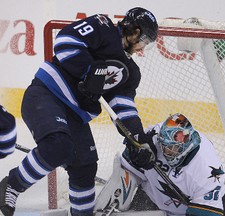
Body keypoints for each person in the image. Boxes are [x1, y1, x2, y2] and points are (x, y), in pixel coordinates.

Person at [0, 7, 158, 216]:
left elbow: (123, 106)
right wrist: (89, 71)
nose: (142, 48)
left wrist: (138, 139)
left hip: (75, 116)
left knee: (85, 166)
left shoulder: (131, 73)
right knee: (59, 146)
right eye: (144, 40)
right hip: (47, 95)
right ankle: (11, 185)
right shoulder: (102, 27)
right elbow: (65, 42)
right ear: (135, 31)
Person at [94, 113, 225, 216]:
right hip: (153, 196)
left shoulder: (206, 168)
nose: (165, 152)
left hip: (198, 204)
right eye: (164, 146)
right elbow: (126, 168)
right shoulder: (153, 138)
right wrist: (136, 153)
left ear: (186, 145)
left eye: (171, 148)